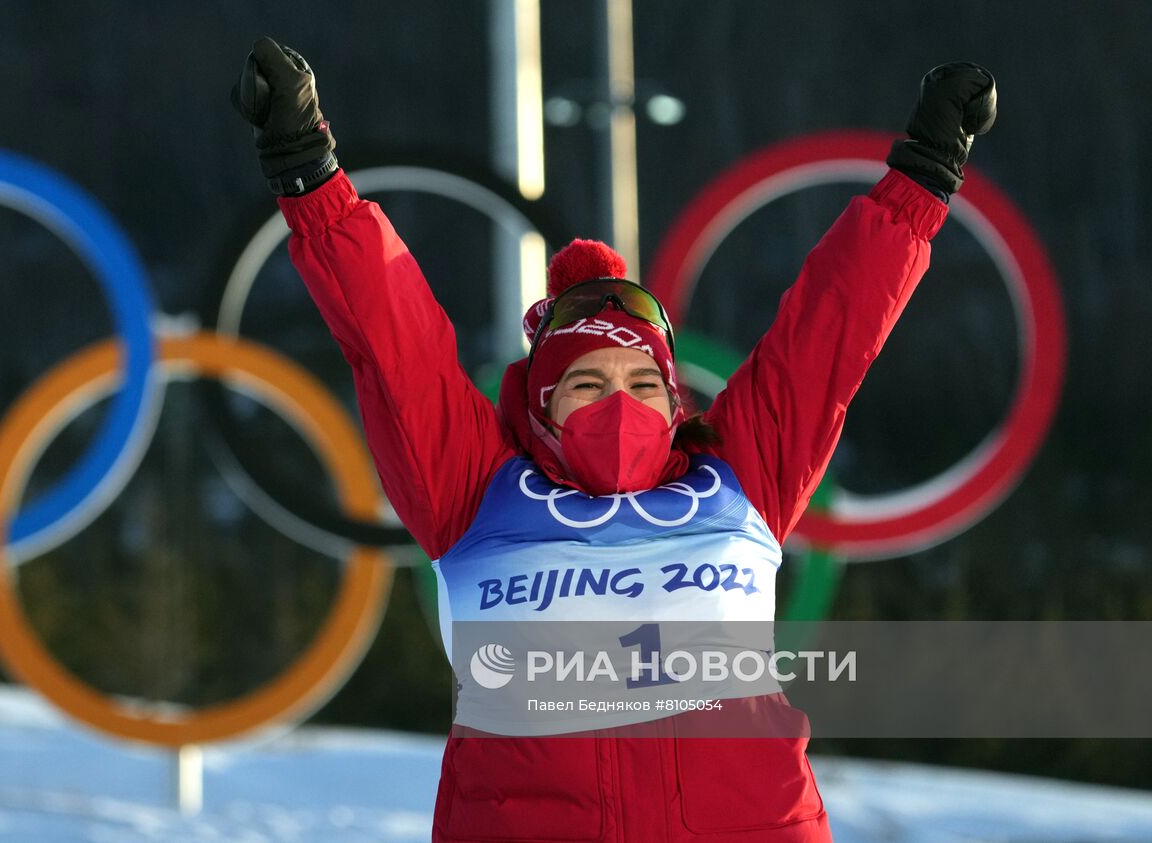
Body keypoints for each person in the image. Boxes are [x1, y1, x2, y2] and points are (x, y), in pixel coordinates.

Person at [232, 37, 996, 843]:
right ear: (541, 406)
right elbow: (395, 345)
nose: (619, 404)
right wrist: (309, 171)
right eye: (588, 385)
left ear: (675, 399)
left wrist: (923, 177)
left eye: (642, 384)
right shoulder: (472, 492)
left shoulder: (740, 477)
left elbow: (830, 331)